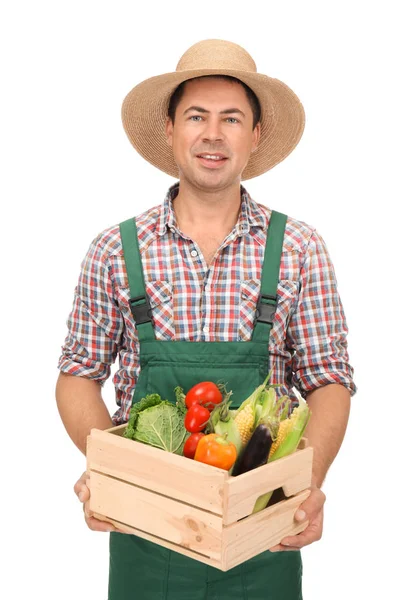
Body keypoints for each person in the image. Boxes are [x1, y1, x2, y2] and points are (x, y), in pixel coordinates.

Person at [56, 39, 356, 600]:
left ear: (255, 136)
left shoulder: (298, 248)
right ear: (170, 130)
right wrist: (112, 470)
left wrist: (306, 487)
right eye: (196, 116)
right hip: (147, 532)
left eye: (231, 119)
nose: (212, 134)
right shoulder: (114, 251)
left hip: (265, 533)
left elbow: (329, 381)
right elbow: (77, 375)